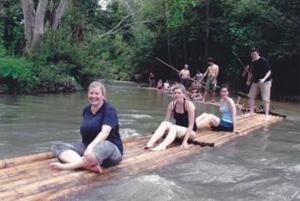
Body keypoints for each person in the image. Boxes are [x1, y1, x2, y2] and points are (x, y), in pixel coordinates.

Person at [50, 81, 123, 174]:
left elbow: (105, 132)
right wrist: (88, 148)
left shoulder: (109, 110)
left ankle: (69, 166)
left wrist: (91, 147)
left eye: (97, 93)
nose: (93, 96)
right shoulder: (86, 110)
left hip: (110, 151)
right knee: (57, 147)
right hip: (87, 147)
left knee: (105, 145)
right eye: (91, 93)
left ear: (103, 96)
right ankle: (89, 166)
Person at [145, 84, 197, 151]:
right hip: (177, 131)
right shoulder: (171, 105)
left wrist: (185, 141)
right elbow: (166, 121)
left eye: (179, 93)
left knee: (174, 127)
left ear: (184, 94)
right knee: (164, 123)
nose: (177, 95)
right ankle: (150, 144)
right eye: (175, 93)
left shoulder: (189, 105)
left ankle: (162, 146)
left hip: (190, 133)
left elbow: (191, 125)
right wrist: (160, 138)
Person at [247, 48, 272, 120]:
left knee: (265, 98)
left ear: (258, 54)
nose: (253, 55)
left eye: (254, 54)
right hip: (255, 81)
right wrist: (248, 80)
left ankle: (266, 115)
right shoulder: (252, 62)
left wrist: (264, 79)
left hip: (265, 81)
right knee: (251, 96)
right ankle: (251, 112)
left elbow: (269, 71)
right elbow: (250, 72)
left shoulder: (263, 61)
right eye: (252, 54)